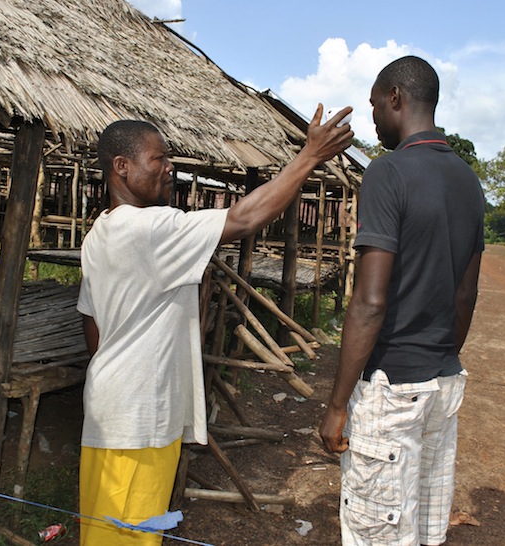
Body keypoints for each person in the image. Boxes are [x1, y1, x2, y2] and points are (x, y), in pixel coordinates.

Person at [77, 108, 353, 545]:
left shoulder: (99, 233)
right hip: (141, 419)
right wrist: (309, 157)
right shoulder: (151, 228)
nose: (170, 168)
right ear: (122, 168)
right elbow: (244, 218)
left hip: (107, 408)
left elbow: (92, 327)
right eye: (159, 159)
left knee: (103, 530)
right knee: (131, 533)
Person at [318, 56, 485, 546]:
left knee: (378, 530)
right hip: (443, 381)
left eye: (373, 105)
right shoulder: (468, 182)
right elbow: (466, 294)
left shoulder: (387, 174)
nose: (372, 117)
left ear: (395, 97)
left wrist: (336, 403)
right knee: (423, 525)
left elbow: (369, 302)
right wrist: (439, 357)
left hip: (392, 388)